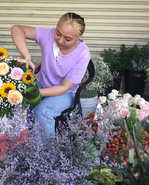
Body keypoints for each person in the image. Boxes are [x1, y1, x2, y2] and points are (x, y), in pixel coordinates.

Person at [11, 12, 91, 140]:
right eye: (58, 33)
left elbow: (64, 87)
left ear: (78, 36)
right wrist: (27, 57)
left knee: (43, 111)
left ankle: (45, 156)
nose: (60, 40)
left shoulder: (83, 53)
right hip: (42, 83)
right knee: (18, 100)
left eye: (67, 39)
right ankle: (26, 142)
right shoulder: (48, 36)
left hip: (65, 93)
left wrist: (37, 92)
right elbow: (16, 29)